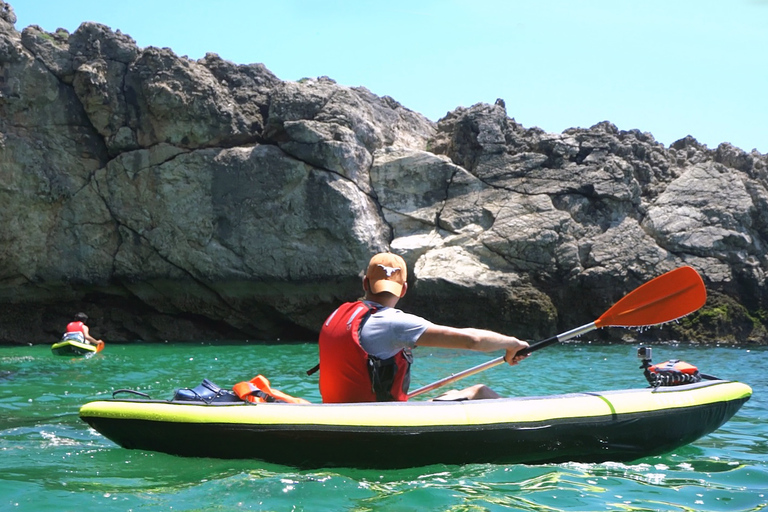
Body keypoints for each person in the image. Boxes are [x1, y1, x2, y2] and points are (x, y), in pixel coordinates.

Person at [318, 252, 530, 403]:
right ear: (404, 289)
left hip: (338, 413)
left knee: (454, 392)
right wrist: (513, 343)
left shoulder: (337, 315)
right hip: (380, 419)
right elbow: (471, 340)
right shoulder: (395, 323)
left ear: (365, 283)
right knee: (480, 391)